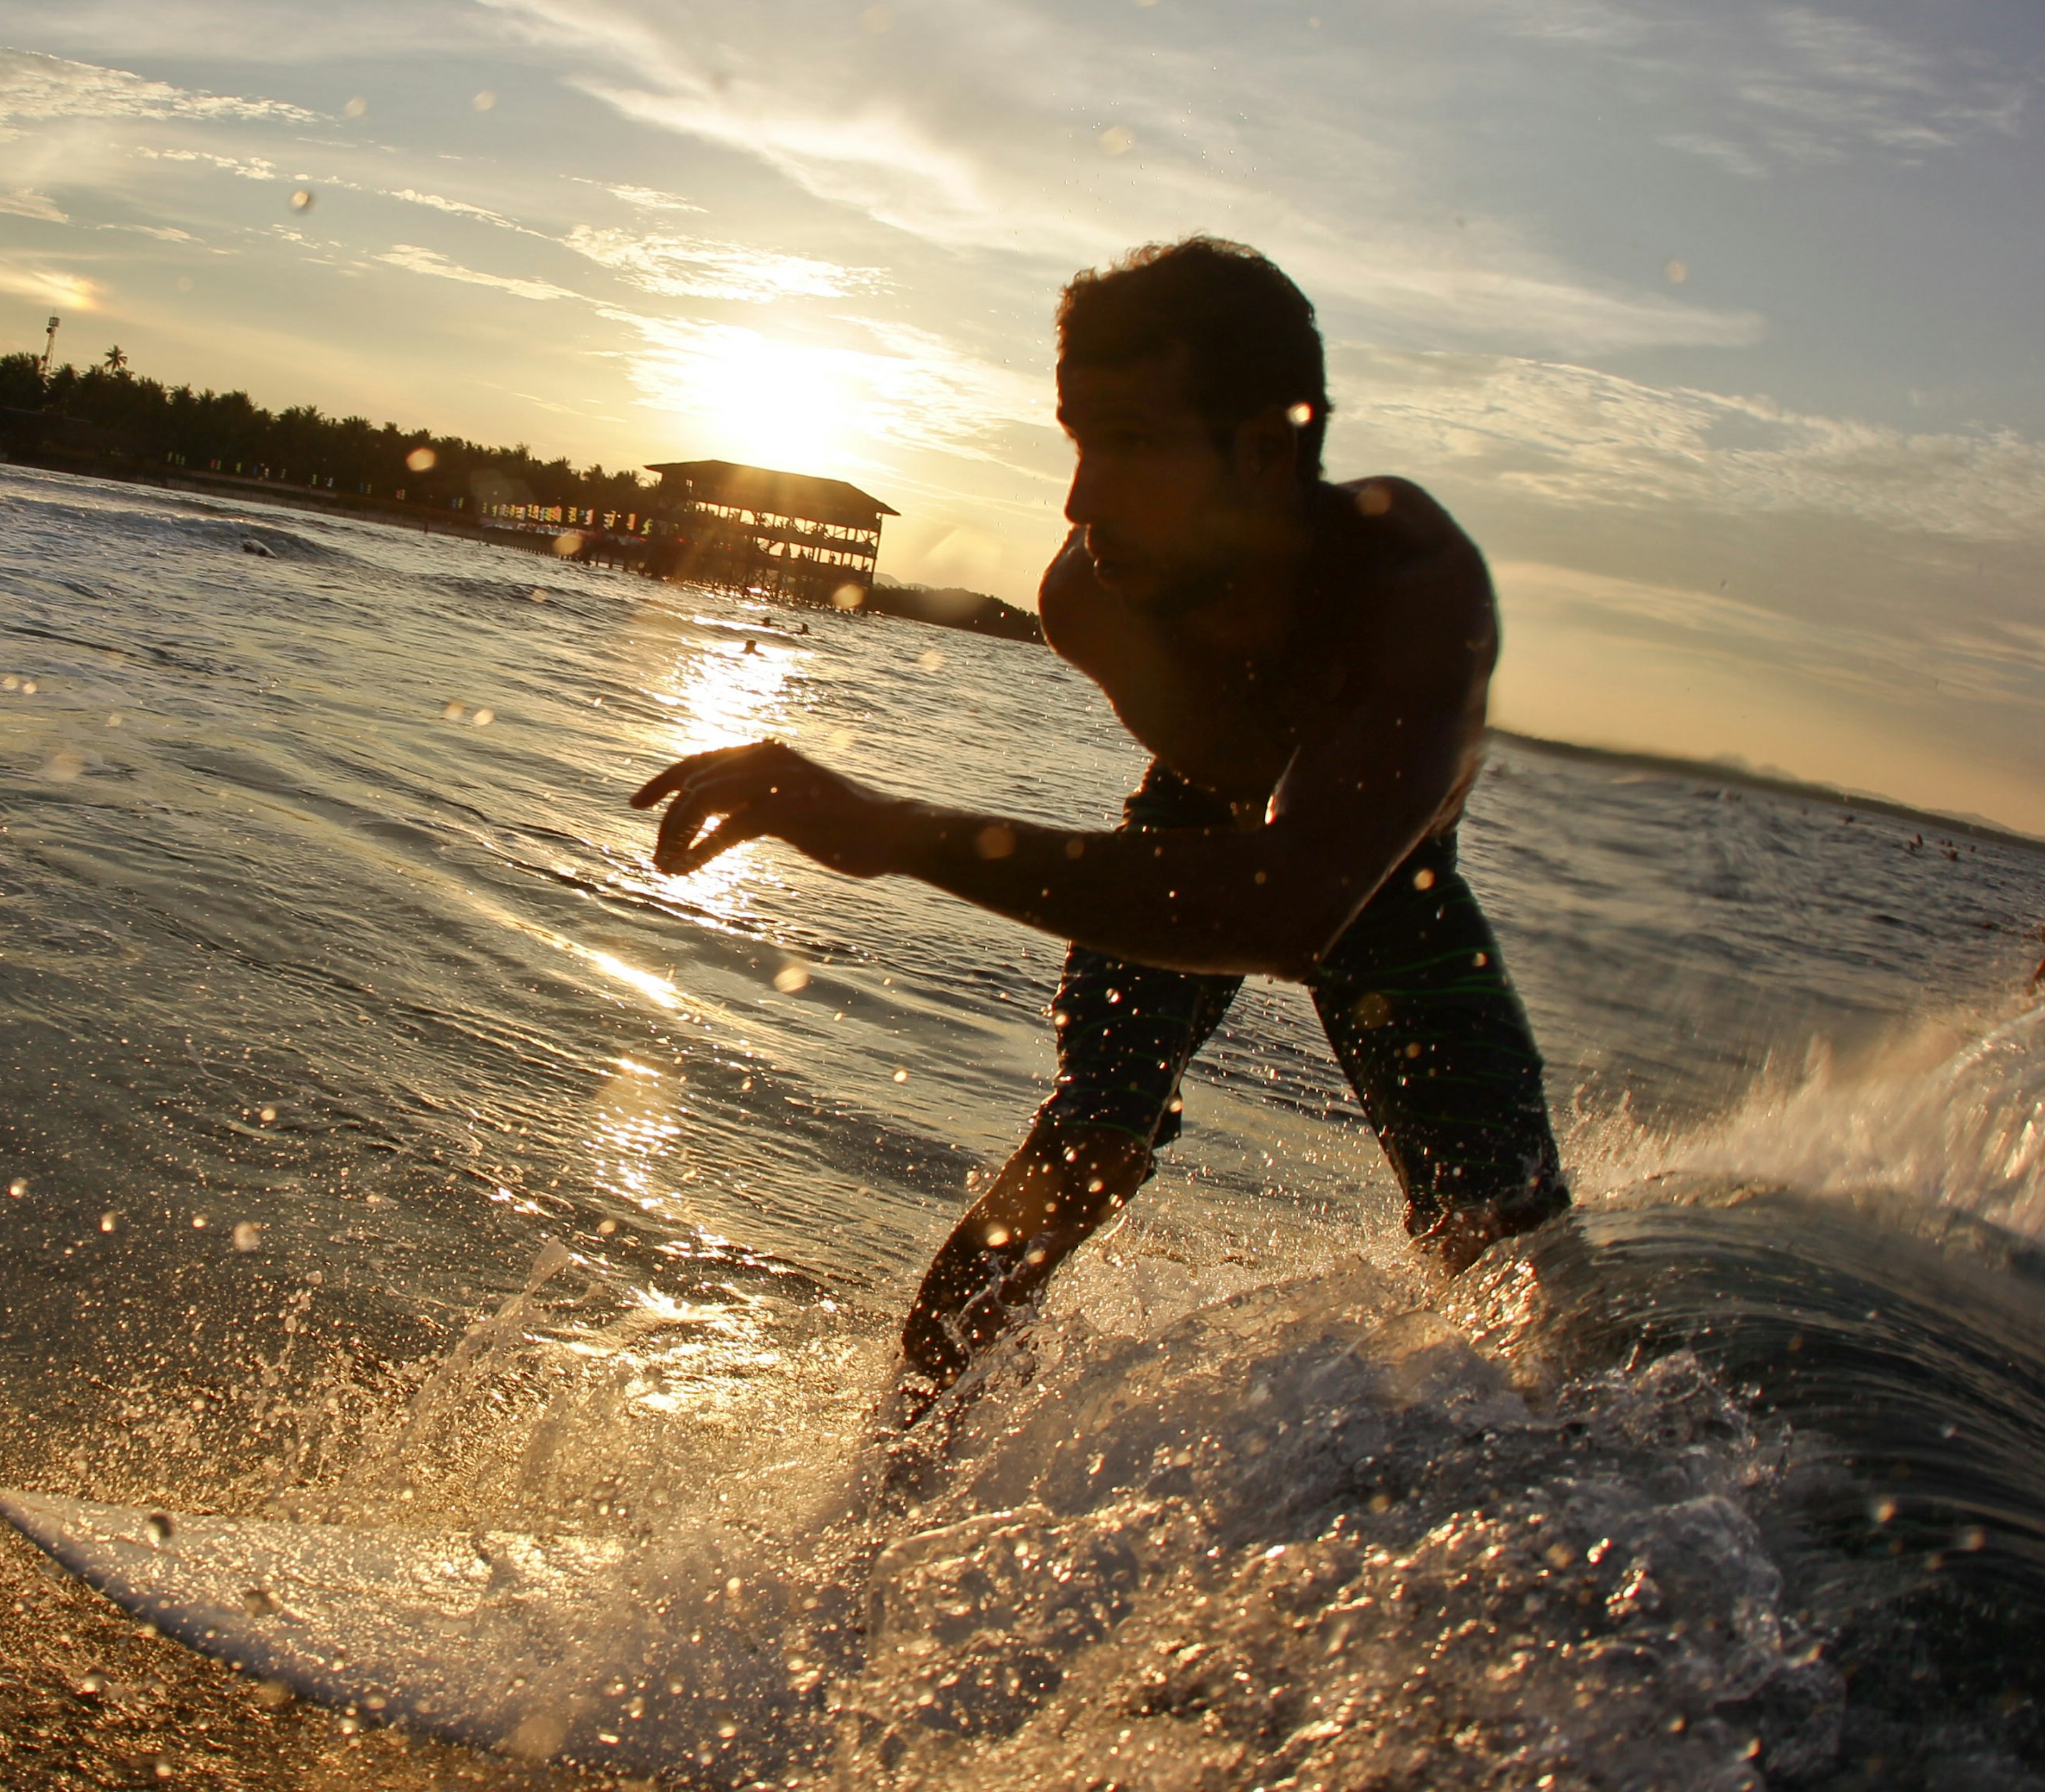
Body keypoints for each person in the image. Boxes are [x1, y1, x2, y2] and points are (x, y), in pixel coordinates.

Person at [631, 238, 1569, 1410]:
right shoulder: (1095, 600)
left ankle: (1553, 1462)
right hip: (1205, 821)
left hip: (1380, 865)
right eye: (1077, 438)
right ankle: (883, 1492)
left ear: (1266, 453)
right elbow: (1226, 832)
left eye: (1133, 445)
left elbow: (1298, 902)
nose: (1079, 502)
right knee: (1087, 1146)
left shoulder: (1411, 581)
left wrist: (894, 832)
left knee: (1505, 1236)